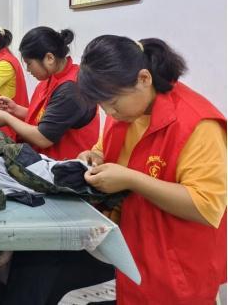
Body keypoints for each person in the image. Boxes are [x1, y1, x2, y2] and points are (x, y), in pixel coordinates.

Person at [75, 35, 226, 304]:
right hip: (137, 249)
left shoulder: (196, 124)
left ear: (144, 79)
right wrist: (93, 157)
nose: (109, 113)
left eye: (113, 103)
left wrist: (132, 180)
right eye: (102, 106)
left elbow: (206, 206)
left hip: (179, 262)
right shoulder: (127, 112)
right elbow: (104, 149)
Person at [0, 27, 99, 160]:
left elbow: (43, 138)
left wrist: (7, 119)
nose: (28, 70)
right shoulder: (53, 77)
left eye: (29, 63)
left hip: (64, 165)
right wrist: (15, 109)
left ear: (49, 58)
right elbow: (49, 117)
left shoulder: (71, 90)